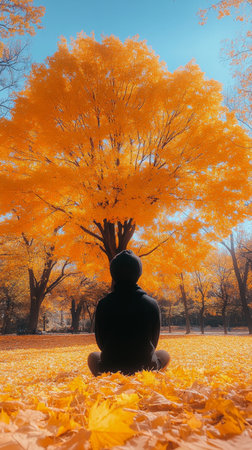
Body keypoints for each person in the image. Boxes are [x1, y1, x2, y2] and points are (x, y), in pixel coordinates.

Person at [88, 249, 170, 376]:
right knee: (164, 354)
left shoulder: (103, 304)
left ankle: (106, 376)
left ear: (113, 273)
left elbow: (101, 343)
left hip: (110, 367)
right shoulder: (151, 304)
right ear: (138, 273)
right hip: (145, 367)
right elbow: (154, 342)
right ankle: (150, 373)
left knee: (93, 356)